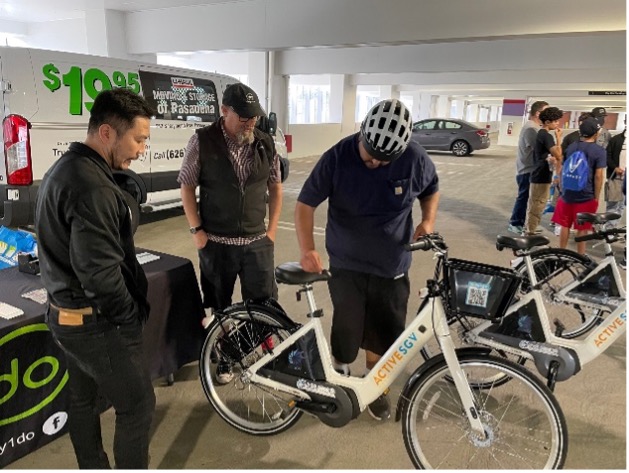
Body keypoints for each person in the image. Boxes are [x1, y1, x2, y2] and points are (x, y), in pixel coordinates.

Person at [295, 99, 439, 421]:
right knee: (347, 324)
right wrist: (307, 249)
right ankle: (341, 371)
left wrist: (427, 221)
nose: (374, 162)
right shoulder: (337, 157)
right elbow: (305, 204)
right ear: (361, 133)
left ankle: (376, 386)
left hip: (393, 265)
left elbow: (431, 188)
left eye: (383, 160)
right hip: (347, 263)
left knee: (385, 331)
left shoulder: (415, 158)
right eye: (370, 154)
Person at [34, 88, 156, 469]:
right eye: (138, 139)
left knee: (83, 400)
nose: (141, 151)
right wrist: (128, 320)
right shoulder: (93, 187)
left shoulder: (65, 168)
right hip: (92, 322)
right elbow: (100, 275)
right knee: (137, 405)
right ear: (107, 133)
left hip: (63, 314)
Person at [178, 83, 282, 384]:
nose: (251, 123)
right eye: (244, 117)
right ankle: (224, 357)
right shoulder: (202, 141)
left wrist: (272, 231)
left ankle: (259, 355)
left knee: (263, 306)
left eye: (254, 117)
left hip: (257, 243)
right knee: (218, 306)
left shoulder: (265, 142)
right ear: (225, 111)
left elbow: (275, 187)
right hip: (217, 244)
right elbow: (186, 185)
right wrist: (197, 231)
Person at [551, 117, 606, 255]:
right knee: (582, 228)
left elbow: (563, 166)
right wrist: (596, 197)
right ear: (596, 133)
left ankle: (561, 253)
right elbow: (598, 176)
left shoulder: (572, 146)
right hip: (586, 195)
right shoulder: (599, 151)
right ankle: (581, 256)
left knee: (565, 225)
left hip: (567, 193)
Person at [507, 100, 548, 234]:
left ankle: (523, 223)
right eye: (546, 112)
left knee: (527, 198)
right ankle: (515, 223)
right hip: (527, 169)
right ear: (538, 113)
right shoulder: (531, 128)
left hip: (529, 168)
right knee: (524, 197)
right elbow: (538, 150)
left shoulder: (534, 127)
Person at [523, 106, 564, 235]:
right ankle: (530, 232)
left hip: (540, 172)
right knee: (538, 203)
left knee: (536, 203)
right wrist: (558, 138)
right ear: (547, 122)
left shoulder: (542, 134)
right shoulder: (546, 136)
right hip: (541, 174)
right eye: (555, 121)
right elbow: (558, 154)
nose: (558, 124)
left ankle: (530, 228)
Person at [605, 127, 626, 218]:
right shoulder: (616, 139)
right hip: (615, 178)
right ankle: (608, 230)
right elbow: (607, 156)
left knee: (621, 206)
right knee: (612, 206)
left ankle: (612, 229)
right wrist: (615, 167)